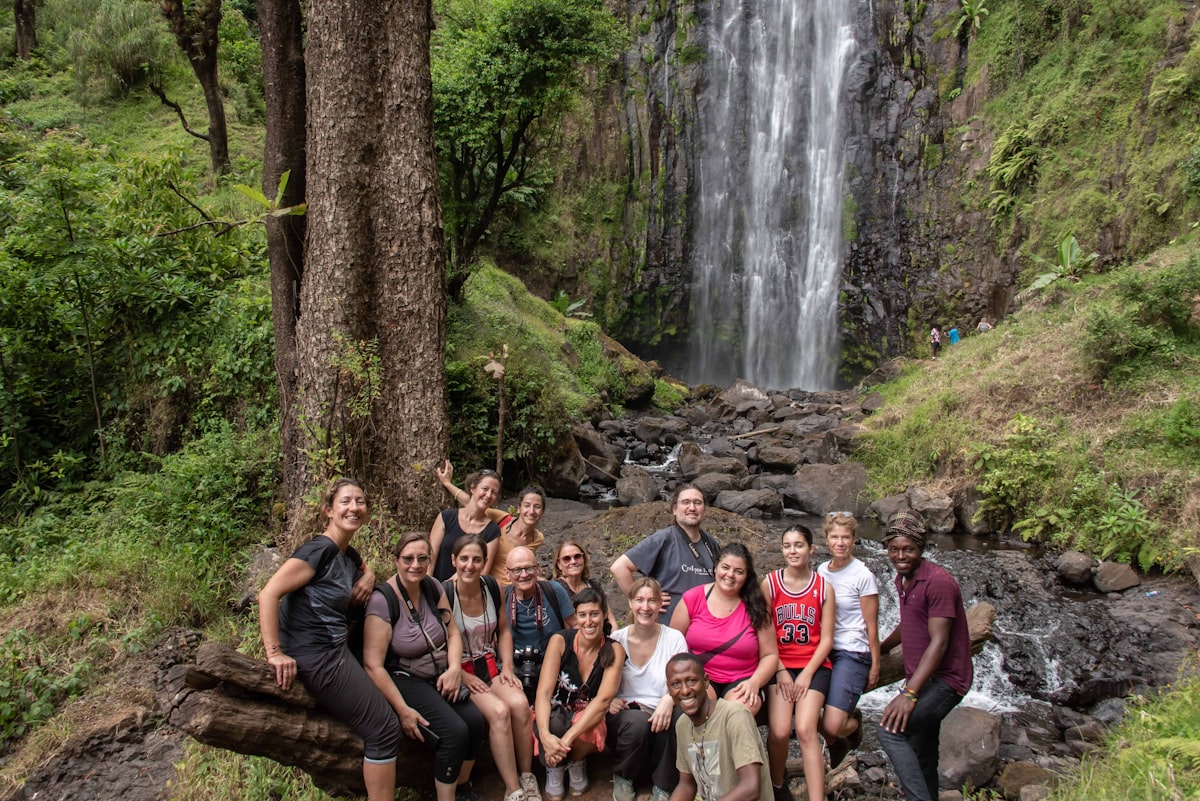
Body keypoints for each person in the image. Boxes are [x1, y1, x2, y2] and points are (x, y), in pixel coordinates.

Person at [258, 478, 400, 801]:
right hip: (316, 654)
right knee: (384, 728)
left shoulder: (347, 554)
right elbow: (268, 594)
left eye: (360, 501)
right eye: (346, 502)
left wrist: (368, 576)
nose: (354, 507)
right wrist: (275, 652)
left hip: (336, 646)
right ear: (328, 510)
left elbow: (366, 569)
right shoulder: (319, 550)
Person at [362, 532, 487, 801]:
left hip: (441, 672)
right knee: (454, 732)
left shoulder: (431, 587)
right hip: (406, 677)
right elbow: (373, 665)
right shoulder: (383, 600)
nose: (415, 565)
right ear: (396, 560)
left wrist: (455, 669)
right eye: (408, 559)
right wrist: (403, 710)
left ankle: (461, 787)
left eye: (422, 559)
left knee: (476, 722)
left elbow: (453, 633)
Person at [876, 510, 974, 801]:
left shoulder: (939, 583)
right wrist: (881, 648)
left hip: (946, 680)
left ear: (921, 548)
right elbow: (910, 622)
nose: (900, 556)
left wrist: (909, 694)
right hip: (924, 678)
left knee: (890, 731)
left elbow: (939, 642)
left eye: (908, 549)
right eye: (894, 549)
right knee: (923, 752)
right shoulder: (903, 580)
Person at [444, 534, 541, 801]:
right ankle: (513, 789)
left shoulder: (491, 587)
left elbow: (504, 630)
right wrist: (460, 674)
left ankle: (527, 776)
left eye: (477, 559)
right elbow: (436, 643)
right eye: (464, 559)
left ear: (485, 562)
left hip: (490, 665)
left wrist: (508, 667)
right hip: (462, 671)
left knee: (520, 705)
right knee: (499, 712)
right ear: (454, 560)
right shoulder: (444, 593)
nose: (470, 565)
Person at [763, 525, 836, 801]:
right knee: (780, 732)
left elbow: (827, 639)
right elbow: (764, 633)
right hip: (778, 665)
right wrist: (780, 669)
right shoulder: (770, 584)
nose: (792, 551)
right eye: (787, 545)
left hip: (814, 667)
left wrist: (806, 674)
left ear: (811, 549)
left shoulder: (823, 588)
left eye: (799, 545)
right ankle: (778, 787)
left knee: (806, 728)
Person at [535, 588, 625, 801]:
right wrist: (545, 735)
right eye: (582, 615)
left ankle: (575, 760)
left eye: (594, 614)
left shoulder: (615, 650)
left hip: (586, 714)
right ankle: (554, 765)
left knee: (590, 723)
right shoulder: (560, 641)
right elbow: (544, 692)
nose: (589, 621)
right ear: (575, 617)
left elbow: (603, 700)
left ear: (604, 614)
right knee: (552, 722)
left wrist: (566, 740)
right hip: (558, 708)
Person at [669, 542, 777, 717]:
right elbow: (672, 644)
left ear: (747, 575)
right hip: (699, 676)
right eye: (725, 567)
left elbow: (770, 655)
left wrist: (755, 682)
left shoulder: (757, 606)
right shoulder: (693, 598)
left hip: (742, 679)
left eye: (738, 571)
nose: (730, 575)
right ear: (715, 567)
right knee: (701, 711)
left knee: (735, 714)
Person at [608, 577, 689, 801]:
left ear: (659, 605)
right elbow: (600, 683)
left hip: (663, 713)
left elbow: (683, 680)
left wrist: (669, 699)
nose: (645, 607)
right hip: (628, 718)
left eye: (652, 601)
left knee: (681, 715)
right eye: (640, 600)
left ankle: (664, 785)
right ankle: (624, 777)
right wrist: (608, 700)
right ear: (631, 603)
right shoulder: (616, 640)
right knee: (637, 723)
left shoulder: (673, 638)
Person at [816, 511, 879, 769]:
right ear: (826, 539)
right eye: (834, 537)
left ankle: (852, 726)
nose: (840, 543)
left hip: (853, 651)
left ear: (853, 539)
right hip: (825, 648)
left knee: (832, 724)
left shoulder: (862, 575)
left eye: (845, 537)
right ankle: (835, 744)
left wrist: (875, 664)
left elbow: (871, 625)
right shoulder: (821, 571)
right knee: (805, 714)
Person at [667, 653, 772, 801]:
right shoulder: (683, 724)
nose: (684, 690)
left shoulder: (735, 716)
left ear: (706, 681)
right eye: (676, 684)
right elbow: (686, 785)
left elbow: (751, 788)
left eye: (691, 681)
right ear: (669, 689)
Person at [611, 485, 721, 623]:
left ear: (704, 509)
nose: (692, 508)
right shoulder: (663, 539)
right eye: (685, 502)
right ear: (674, 509)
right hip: (669, 629)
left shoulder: (710, 543)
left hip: (704, 629)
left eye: (697, 503)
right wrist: (643, 600)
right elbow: (619, 567)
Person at [438, 460, 546, 587]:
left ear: (542, 511)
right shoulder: (502, 519)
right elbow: (473, 502)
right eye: (527, 505)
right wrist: (447, 483)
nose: (531, 511)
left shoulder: (538, 538)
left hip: (517, 591)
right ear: (519, 508)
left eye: (537, 507)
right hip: (493, 589)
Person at [505, 545, 577, 700]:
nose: (523, 575)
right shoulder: (502, 596)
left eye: (529, 568)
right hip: (514, 673)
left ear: (537, 569)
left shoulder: (553, 590)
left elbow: (575, 625)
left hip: (553, 669)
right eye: (517, 570)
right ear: (507, 573)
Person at [430, 465, 503, 581]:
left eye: (494, 492)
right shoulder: (446, 517)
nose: (488, 495)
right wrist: (428, 588)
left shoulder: (492, 531)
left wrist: (447, 588)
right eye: (485, 489)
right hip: (434, 590)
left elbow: (482, 572)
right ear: (473, 488)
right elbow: (430, 559)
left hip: (465, 593)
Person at [554, 539, 618, 632]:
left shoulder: (594, 586)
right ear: (559, 564)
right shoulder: (556, 588)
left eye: (577, 556)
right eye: (566, 558)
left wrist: (615, 640)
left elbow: (610, 619)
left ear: (583, 559)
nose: (573, 561)